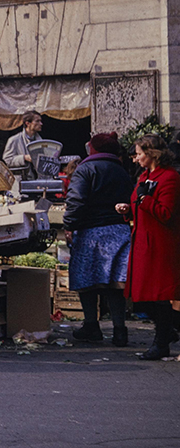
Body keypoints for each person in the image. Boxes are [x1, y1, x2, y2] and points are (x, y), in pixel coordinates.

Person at [63, 133, 134, 346]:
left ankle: (91, 326)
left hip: (90, 233)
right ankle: (120, 330)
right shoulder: (122, 170)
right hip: (119, 232)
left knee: (87, 282)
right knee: (115, 284)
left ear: (93, 149)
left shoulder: (85, 169)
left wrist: (69, 224)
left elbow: (76, 200)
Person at [116, 134, 180, 360]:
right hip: (143, 242)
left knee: (159, 295)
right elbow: (140, 206)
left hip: (161, 245)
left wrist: (145, 200)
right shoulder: (144, 176)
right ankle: (167, 332)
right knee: (142, 295)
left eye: (139, 154)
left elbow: (166, 213)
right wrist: (128, 209)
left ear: (152, 154)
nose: (135, 158)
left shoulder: (170, 178)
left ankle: (161, 342)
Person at [3, 111, 43, 177]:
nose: (41, 124)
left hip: (37, 179)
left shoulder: (40, 141)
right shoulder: (14, 140)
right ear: (28, 123)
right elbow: (7, 160)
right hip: (20, 179)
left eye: (40, 121)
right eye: (37, 121)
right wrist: (24, 158)